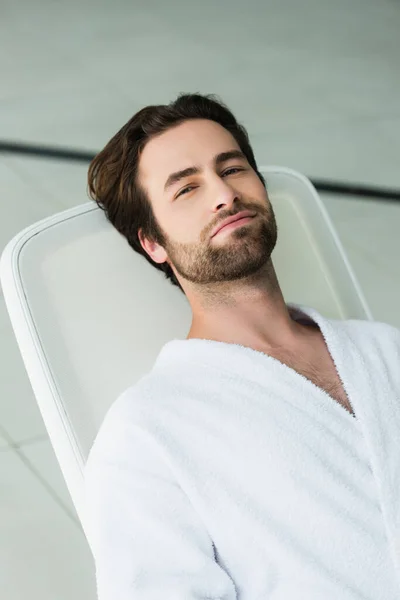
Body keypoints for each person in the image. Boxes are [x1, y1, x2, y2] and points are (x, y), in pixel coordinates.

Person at [84, 93, 400, 599]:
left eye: (232, 169)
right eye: (187, 188)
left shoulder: (385, 350)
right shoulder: (145, 433)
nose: (223, 195)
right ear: (153, 244)